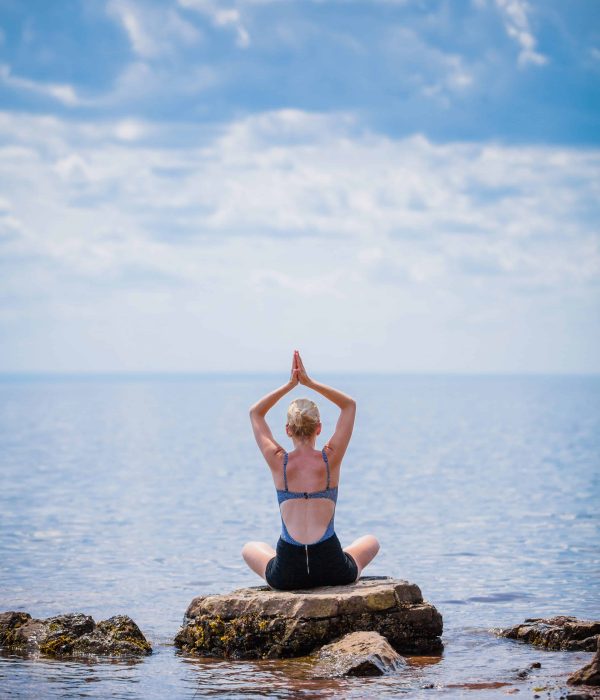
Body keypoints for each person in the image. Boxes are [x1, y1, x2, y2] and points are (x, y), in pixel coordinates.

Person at [242, 350, 380, 590]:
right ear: (319, 428)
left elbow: (255, 412)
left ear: (287, 430)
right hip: (332, 567)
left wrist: (290, 385)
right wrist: (309, 382)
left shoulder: (279, 462)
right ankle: (344, 555)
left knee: (249, 548)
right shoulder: (330, 460)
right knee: (371, 542)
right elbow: (349, 405)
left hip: (287, 573)